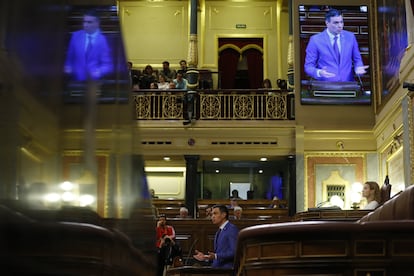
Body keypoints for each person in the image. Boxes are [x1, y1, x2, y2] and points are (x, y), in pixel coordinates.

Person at [304, 9, 369, 82]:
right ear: (327, 23)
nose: (340, 26)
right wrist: (319, 72)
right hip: (325, 86)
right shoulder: (315, 40)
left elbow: (357, 60)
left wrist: (358, 67)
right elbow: (308, 67)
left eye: (341, 22)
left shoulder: (350, 37)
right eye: (336, 23)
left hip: (347, 85)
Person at [64, 9, 113, 82]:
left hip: (93, 81)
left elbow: (108, 65)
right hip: (75, 78)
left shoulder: (103, 40)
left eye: (89, 22)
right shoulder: (75, 36)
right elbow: (69, 58)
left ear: (97, 23)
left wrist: (99, 71)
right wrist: (68, 67)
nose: (85, 25)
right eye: (84, 21)